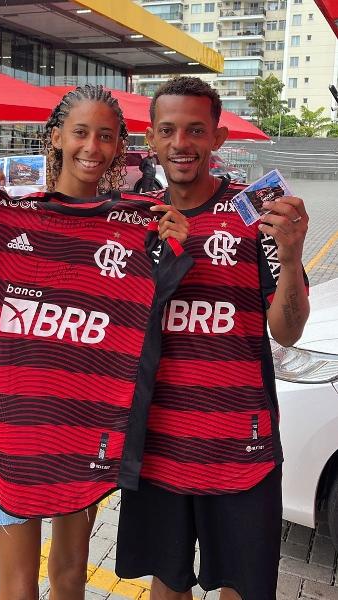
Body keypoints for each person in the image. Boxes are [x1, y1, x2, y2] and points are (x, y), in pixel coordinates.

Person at [0, 84, 188, 600]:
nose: (92, 146)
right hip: (9, 434)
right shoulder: (6, 208)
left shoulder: (133, 225)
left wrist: (172, 241)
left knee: (68, 576)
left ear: (118, 146)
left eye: (106, 136)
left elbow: (160, 299)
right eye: (81, 132)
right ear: (56, 136)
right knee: (17, 586)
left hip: (80, 430)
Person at [115, 76, 310, 600]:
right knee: (166, 581)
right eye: (169, 130)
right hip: (157, 445)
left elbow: (287, 330)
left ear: (217, 139)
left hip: (242, 448)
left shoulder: (257, 214)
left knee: (243, 588)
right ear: (151, 139)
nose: (182, 144)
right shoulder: (135, 221)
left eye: (196, 130)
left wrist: (290, 259)